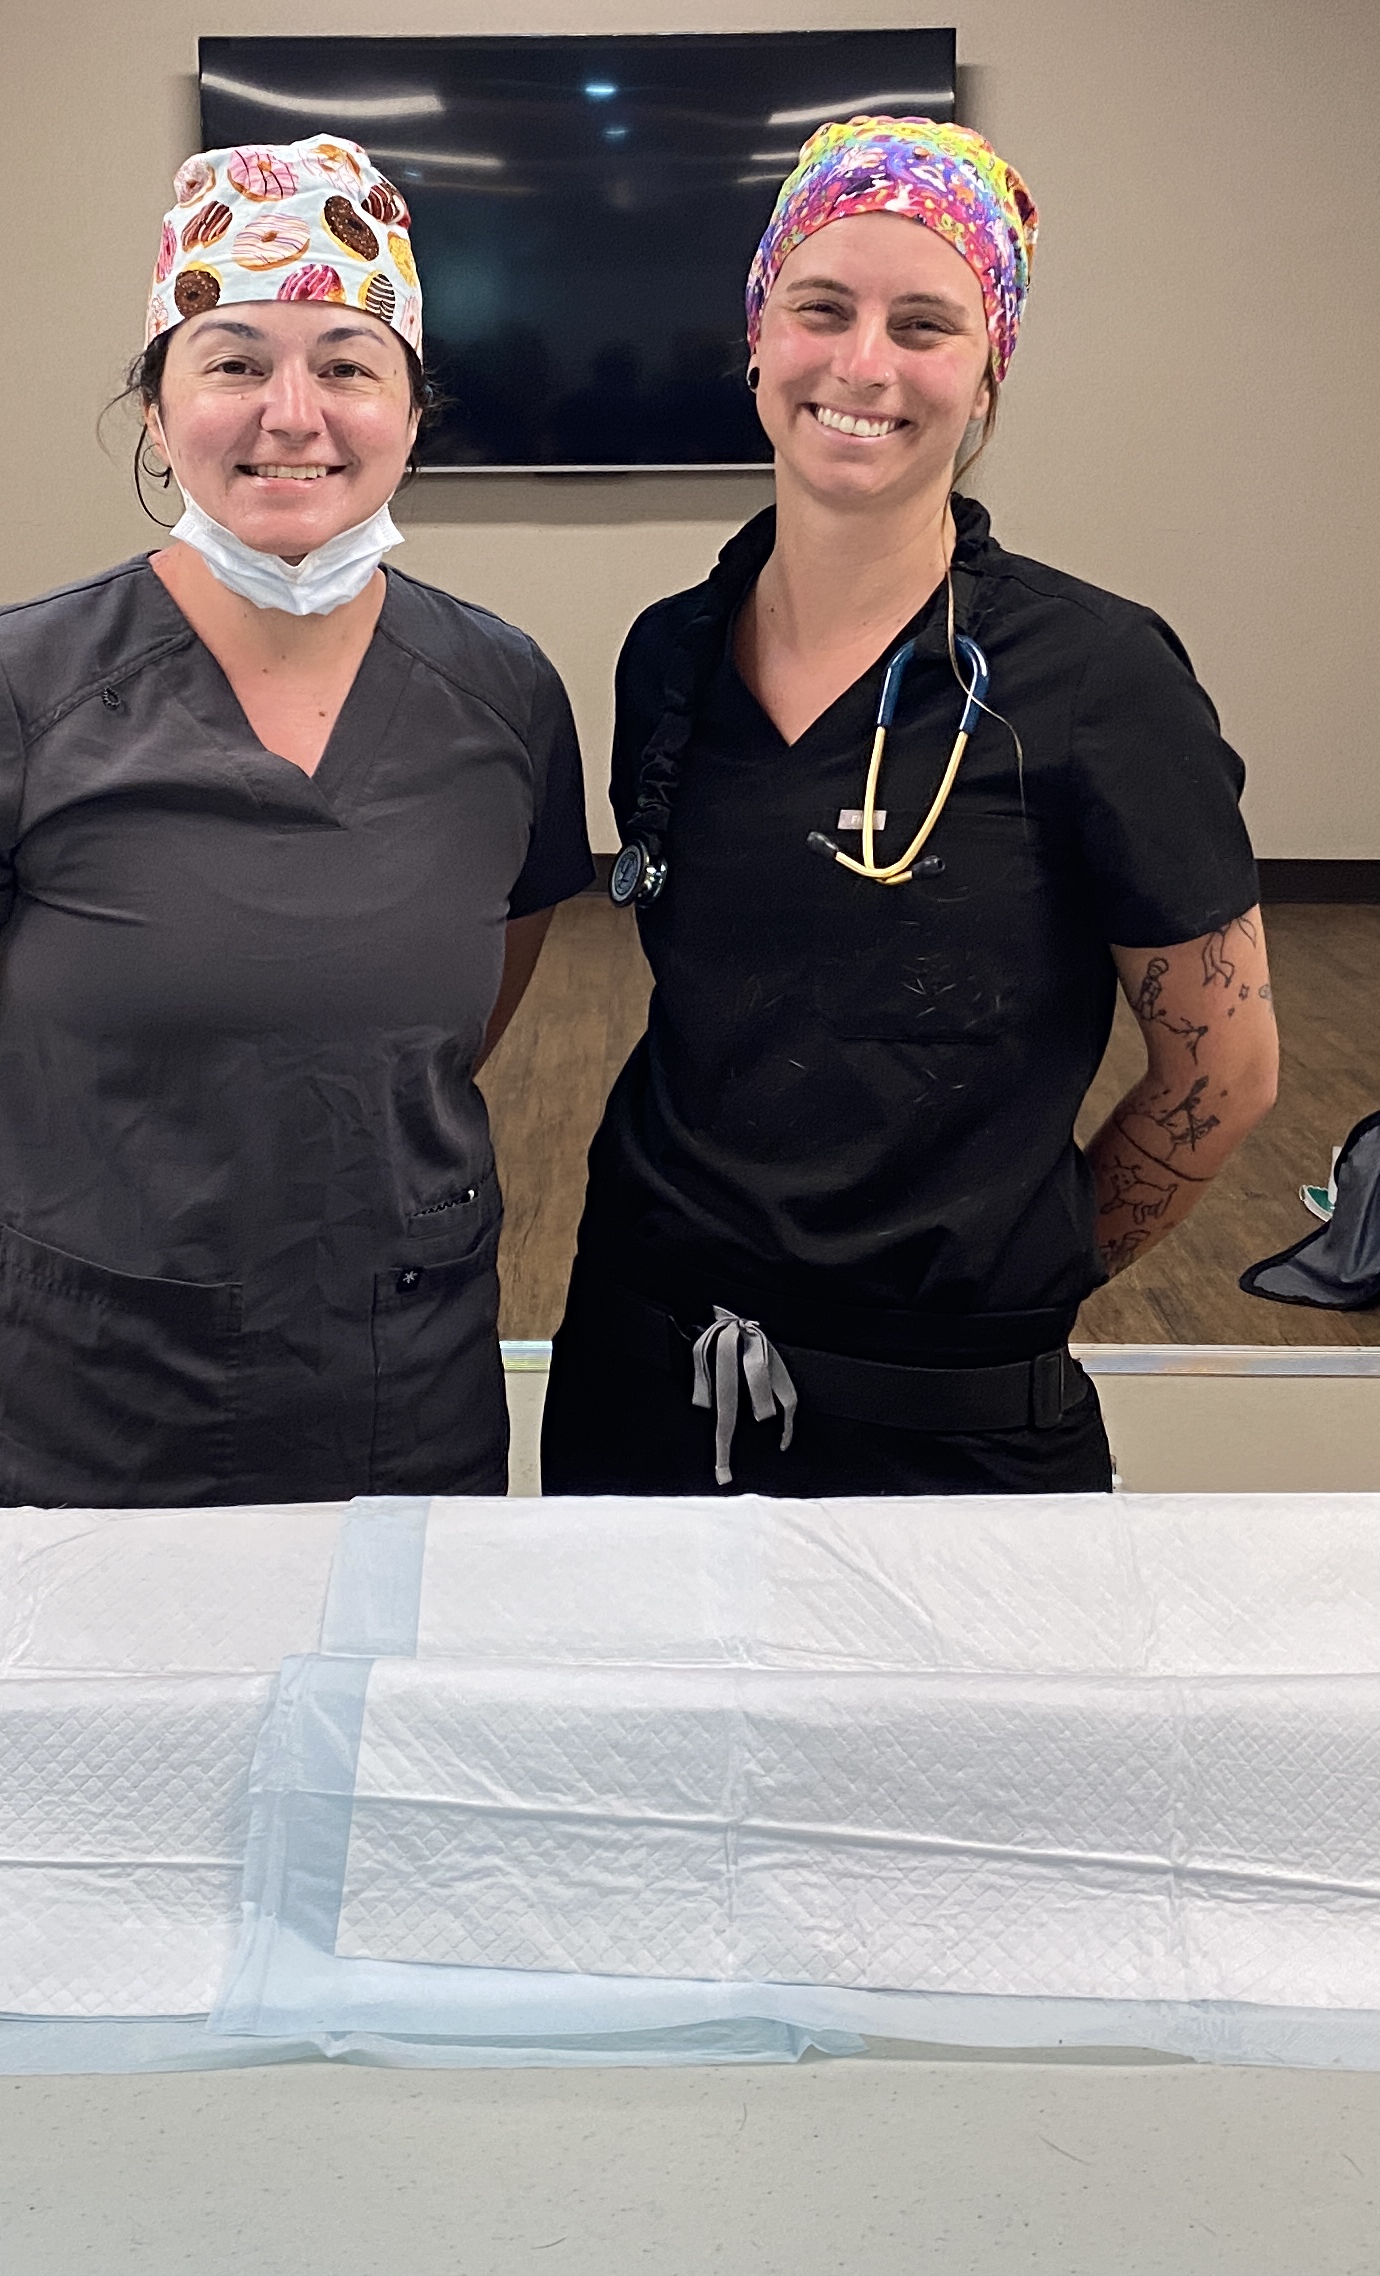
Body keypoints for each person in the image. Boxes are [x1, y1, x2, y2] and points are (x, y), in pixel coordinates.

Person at [0, 133, 589, 1509]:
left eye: (348, 366)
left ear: (414, 409)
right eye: (234, 363)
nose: (292, 416)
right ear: (155, 408)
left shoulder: (502, 696)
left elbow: (446, 1031)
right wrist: (65, 1269)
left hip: (395, 1381)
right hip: (73, 1405)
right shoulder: (0, 699)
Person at [542, 117, 1279, 1496]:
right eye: (821, 309)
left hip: (951, 1414)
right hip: (642, 1372)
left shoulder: (1097, 680)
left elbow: (1223, 1076)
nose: (863, 363)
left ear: (990, 371)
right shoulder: (670, 657)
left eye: (925, 324)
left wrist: (1018, 1277)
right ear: (757, 337)